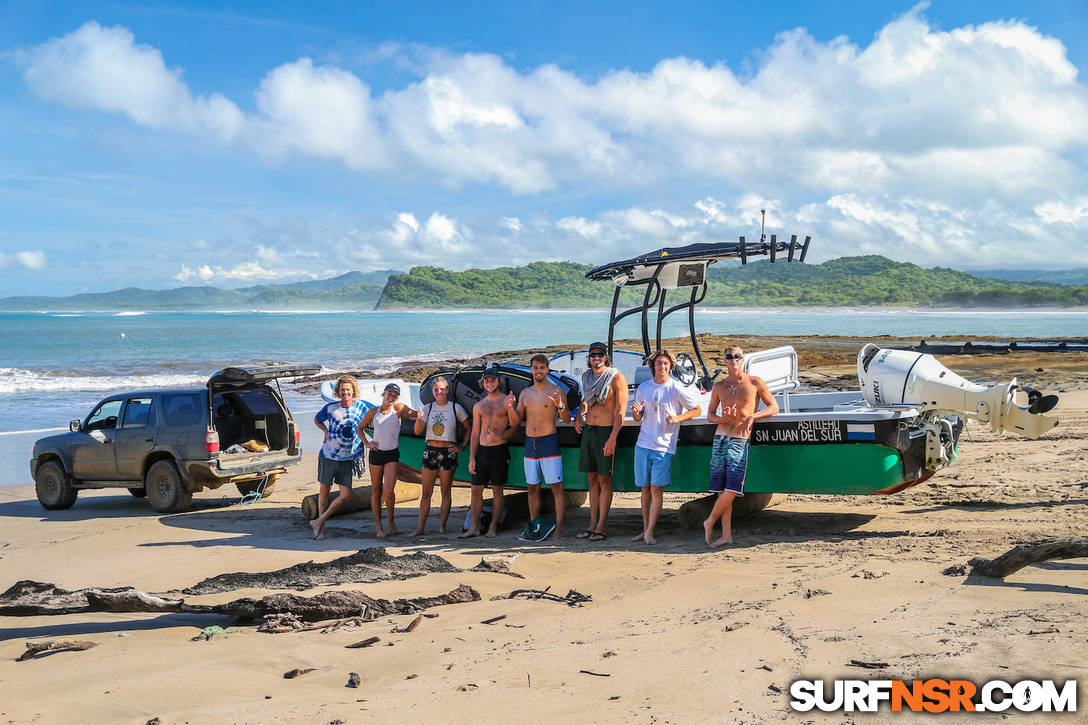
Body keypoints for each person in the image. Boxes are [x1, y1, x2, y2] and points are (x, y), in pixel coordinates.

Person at [703, 345, 779, 547]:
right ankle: (726, 535)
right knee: (721, 490)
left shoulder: (754, 382)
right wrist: (721, 418)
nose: (733, 359)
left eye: (737, 356)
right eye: (729, 356)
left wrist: (753, 416)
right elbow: (709, 415)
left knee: (732, 489)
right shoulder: (720, 387)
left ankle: (709, 521)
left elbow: (774, 407)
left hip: (739, 440)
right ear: (725, 360)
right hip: (720, 439)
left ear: (742, 359)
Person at [630, 349, 702, 545]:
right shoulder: (644, 388)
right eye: (658, 363)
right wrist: (636, 412)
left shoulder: (675, 388)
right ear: (653, 366)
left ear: (670, 367)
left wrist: (678, 418)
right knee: (644, 490)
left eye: (665, 364)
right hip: (643, 444)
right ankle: (645, 530)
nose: (661, 367)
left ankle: (650, 532)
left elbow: (696, 409)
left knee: (656, 489)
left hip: (663, 446)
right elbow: (638, 417)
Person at [511, 354, 572, 540]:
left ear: (547, 369)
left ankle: (559, 528)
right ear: (531, 369)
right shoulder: (525, 393)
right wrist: (509, 407)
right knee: (532, 488)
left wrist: (561, 407)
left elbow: (568, 418)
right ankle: (535, 526)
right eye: (535, 367)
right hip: (530, 444)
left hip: (549, 442)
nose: (538, 371)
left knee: (556, 487)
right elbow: (515, 421)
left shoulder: (556, 391)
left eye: (542, 368)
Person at [572, 341, 628, 542]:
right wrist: (579, 415)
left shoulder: (616, 377)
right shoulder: (586, 376)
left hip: (606, 432)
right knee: (592, 480)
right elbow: (586, 401)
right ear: (589, 357)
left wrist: (613, 437)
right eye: (593, 355)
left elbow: (620, 411)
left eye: (600, 355)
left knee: (604, 480)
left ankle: (601, 526)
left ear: (606, 357)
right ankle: (592, 523)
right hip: (589, 431)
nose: (596, 358)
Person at [463, 364, 518, 538]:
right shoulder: (479, 405)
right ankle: (474, 527)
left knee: (497, 489)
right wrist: (472, 457)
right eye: (486, 380)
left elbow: (515, 425)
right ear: (483, 383)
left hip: (499, 451)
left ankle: (494, 526)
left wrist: (510, 408)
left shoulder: (506, 400)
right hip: (482, 452)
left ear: (498, 381)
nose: (489, 383)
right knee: (476, 489)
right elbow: (474, 433)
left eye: (492, 380)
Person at [310, 375, 368, 540]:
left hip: (347, 458)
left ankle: (319, 520)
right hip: (329, 455)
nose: (345, 392)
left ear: (353, 391)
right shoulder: (331, 408)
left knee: (346, 495)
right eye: (342, 390)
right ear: (338, 391)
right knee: (324, 491)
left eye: (348, 389)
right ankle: (320, 530)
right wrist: (325, 432)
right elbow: (317, 419)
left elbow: (376, 411)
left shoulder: (361, 406)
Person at [411, 376, 470, 535]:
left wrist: (462, 447)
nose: (439, 392)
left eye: (442, 389)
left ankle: (442, 527)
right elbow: (417, 431)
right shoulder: (428, 408)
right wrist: (418, 419)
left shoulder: (455, 408)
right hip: (430, 450)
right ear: (432, 391)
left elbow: (469, 428)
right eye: (436, 389)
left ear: (447, 390)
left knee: (445, 491)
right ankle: (419, 528)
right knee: (426, 492)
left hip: (448, 452)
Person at [357, 382, 417, 538]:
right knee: (376, 490)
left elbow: (414, 414)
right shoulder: (372, 412)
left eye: (395, 395)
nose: (391, 396)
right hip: (376, 454)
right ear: (384, 394)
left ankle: (391, 521)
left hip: (392, 454)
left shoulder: (398, 409)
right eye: (389, 393)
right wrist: (367, 443)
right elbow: (359, 428)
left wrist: (421, 414)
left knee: (389, 490)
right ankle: (379, 527)